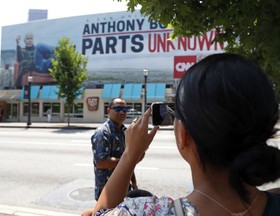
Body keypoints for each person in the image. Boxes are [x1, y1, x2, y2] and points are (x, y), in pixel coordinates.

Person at [82, 53, 280, 216]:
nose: (122, 111)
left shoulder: (146, 212)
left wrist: (130, 155)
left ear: (184, 135)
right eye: (118, 108)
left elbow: (101, 213)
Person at [91, 98, 138, 201]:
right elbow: (101, 162)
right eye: (117, 108)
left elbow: (127, 159)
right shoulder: (102, 133)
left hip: (125, 189)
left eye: (125, 109)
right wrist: (129, 160)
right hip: (107, 193)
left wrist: (134, 183)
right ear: (108, 111)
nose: (122, 112)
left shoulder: (124, 132)